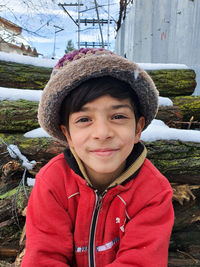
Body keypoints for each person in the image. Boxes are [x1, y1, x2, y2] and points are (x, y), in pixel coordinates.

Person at [22, 48, 174, 267]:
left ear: (138, 129)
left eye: (118, 116)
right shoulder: (52, 182)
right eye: (84, 119)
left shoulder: (153, 191)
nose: (102, 133)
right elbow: (43, 258)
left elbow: (140, 262)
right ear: (68, 135)